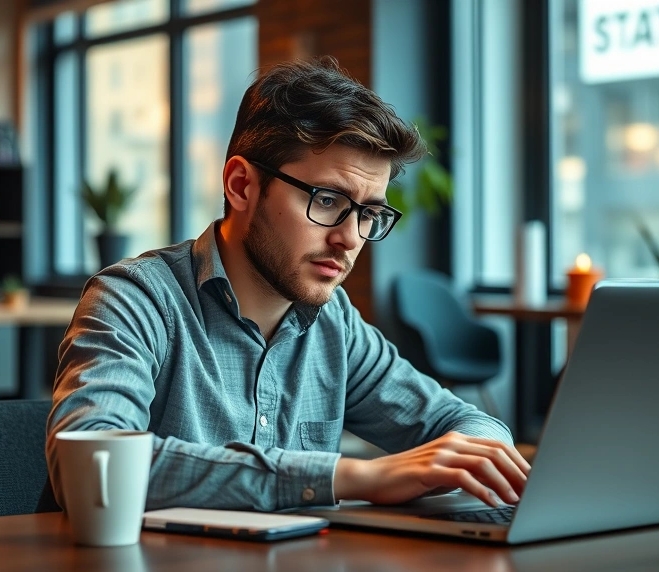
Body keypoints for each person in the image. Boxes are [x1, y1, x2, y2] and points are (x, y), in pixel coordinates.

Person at [46, 56, 529, 513]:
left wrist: (486, 454)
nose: (349, 238)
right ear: (241, 185)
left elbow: (461, 423)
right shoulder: (135, 299)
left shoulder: (335, 323)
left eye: (369, 213)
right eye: (326, 200)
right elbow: (91, 465)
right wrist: (350, 477)